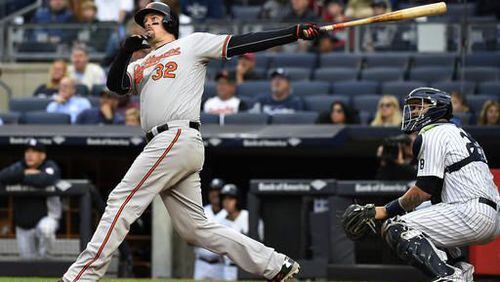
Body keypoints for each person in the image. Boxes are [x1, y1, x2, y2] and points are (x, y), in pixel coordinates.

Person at [60, 2, 322, 281]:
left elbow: (240, 43)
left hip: (176, 135)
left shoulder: (191, 44)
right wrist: (125, 52)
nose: (148, 23)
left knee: (121, 199)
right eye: (144, 20)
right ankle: (277, 265)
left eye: (155, 18)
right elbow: (116, 86)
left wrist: (292, 32)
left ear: (170, 22)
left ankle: (79, 277)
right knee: (195, 229)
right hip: (167, 143)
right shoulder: (142, 63)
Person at [342, 87, 499, 282]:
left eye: (419, 107)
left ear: (437, 108)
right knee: (411, 217)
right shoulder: (458, 132)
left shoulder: (433, 133)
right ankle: (460, 270)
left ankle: (449, 277)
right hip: (487, 214)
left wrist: (383, 210)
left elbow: (424, 190)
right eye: (412, 107)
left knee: (398, 227)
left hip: (469, 211)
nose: (414, 112)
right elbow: (435, 195)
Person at [0, 139, 62, 259]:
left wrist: (19, 177)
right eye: (27, 151)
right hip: (23, 225)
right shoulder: (21, 166)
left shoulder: (49, 165)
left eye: (34, 151)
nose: (29, 154)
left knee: (46, 229)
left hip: (47, 219)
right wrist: (25, 173)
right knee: (28, 263)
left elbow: (46, 180)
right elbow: (3, 176)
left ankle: (46, 259)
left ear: (42, 155)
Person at [193, 178, 228, 280]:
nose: (215, 194)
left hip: (220, 264)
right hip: (201, 262)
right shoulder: (201, 211)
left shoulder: (228, 214)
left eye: (218, 191)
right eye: (212, 191)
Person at [219, 184, 250, 281]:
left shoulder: (248, 216)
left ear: (237, 200)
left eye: (231, 199)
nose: (227, 202)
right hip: (228, 268)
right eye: (224, 199)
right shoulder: (221, 222)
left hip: (246, 268)